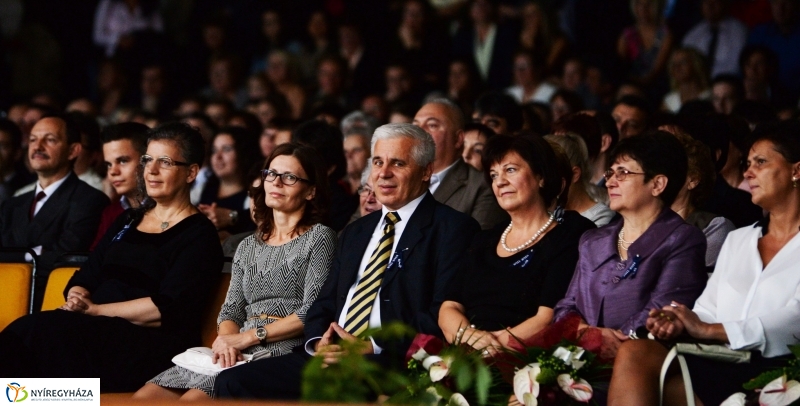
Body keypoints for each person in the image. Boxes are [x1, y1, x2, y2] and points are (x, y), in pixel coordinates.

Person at [214, 123, 480, 400]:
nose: (384, 173)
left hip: (388, 359)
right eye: (378, 162)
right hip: (330, 355)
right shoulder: (357, 231)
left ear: (426, 171)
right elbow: (324, 303)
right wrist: (319, 341)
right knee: (232, 382)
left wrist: (372, 344)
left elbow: (439, 312)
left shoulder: (452, 228)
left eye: (398, 163)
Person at [0, 122, 223, 392]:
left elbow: (166, 309)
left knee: (41, 334)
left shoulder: (200, 235)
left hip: (148, 343)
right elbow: (86, 274)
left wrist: (95, 310)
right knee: (27, 336)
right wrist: (78, 297)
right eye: (147, 160)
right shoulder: (128, 220)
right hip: (93, 330)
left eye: (165, 162)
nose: (151, 170)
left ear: (191, 172)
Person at [608, 120, 800, 406]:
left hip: (780, 369)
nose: (748, 172)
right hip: (720, 362)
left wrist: (711, 331)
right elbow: (708, 310)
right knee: (637, 352)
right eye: (747, 163)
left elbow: (795, 318)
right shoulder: (740, 239)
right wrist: (680, 321)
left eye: (760, 162)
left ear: (796, 170)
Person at [134, 143, 337, 400]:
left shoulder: (320, 237)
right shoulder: (248, 246)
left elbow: (312, 311)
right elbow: (230, 311)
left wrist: (248, 338)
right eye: (271, 174)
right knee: (145, 397)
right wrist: (227, 343)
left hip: (284, 348)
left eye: (290, 177)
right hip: (240, 347)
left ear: (311, 191)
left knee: (193, 400)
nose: (276, 182)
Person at [553, 131, 707, 359]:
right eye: (610, 172)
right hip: (579, 357)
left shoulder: (683, 240)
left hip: (640, 363)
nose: (609, 182)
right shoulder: (592, 241)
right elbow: (565, 308)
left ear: (657, 184)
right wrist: (589, 336)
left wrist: (609, 343)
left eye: (623, 173)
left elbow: (661, 312)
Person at [439, 135, 596, 356]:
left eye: (510, 170)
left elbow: (547, 318)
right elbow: (449, 308)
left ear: (541, 177)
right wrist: (473, 341)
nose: (500, 182)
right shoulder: (483, 239)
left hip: (525, 358)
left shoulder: (569, 234)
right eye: (494, 175)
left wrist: (490, 350)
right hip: (467, 355)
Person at [0, 115, 109, 308]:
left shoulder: (90, 200)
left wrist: (17, 258)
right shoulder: (12, 204)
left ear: (73, 150)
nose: (38, 146)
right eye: (33, 139)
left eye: (49, 140)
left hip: (53, 302)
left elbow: (64, 258)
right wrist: (36, 253)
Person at [414, 99, 506, 230]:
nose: (419, 131)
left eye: (432, 125)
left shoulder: (482, 186)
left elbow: (478, 239)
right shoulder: (401, 176)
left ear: (458, 139)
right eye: (415, 125)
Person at [664, 126, 735, 271]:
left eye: (668, 168)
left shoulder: (714, 226)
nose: (657, 177)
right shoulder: (641, 222)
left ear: (693, 180)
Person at [91, 122, 149, 249]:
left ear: (147, 161)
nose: (113, 171)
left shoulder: (168, 211)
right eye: (109, 164)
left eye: (123, 161)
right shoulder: (110, 213)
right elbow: (94, 257)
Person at [198, 127, 260, 239]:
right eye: (214, 150)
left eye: (226, 149)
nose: (218, 156)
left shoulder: (255, 193)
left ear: (243, 153)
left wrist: (232, 217)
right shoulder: (203, 187)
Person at [545, 133, 615, 227]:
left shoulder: (600, 217)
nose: (542, 183)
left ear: (575, 174)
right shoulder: (549, 213)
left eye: (549, 175)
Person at [617, 0, 673, 90]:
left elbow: (656, 72)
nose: (643, 9)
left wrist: (640, 82)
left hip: (658, 86)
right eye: (639, 4)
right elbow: (619, 66)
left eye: (648, 4)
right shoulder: (627, 35)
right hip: (630, 85)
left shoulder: (665, 35)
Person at [682, 0, 747, 78]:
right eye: (706, 3)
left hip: (726, 81)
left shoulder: (738, 32)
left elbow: (735, 66)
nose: (710, 6)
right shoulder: (693, 34)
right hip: (698, 82)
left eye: (715, 2)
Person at [662, 48, 711, 113]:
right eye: (673, 64)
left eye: (683, 62)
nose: (677, 67)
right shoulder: (670, 101)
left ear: (696, 65)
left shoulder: (709, 97)